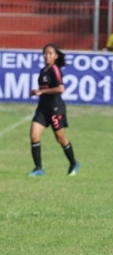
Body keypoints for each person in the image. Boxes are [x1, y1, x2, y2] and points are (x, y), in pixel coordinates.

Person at [28, 44, 80, 177]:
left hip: (55, 109)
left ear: (56, 56)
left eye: (50, 53)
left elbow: (61, 89)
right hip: (42, 108)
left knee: (60, 138)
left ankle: (73, 163)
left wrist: (42, 91)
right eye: (45, 53)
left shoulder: (55, 70)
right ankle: (38, 168)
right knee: (34, 136)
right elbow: (42, 90)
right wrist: (35, 92)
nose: (47, 56)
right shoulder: (43, 70)